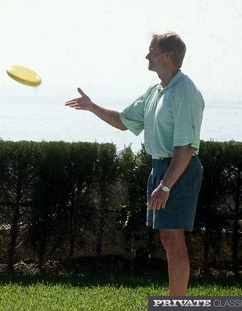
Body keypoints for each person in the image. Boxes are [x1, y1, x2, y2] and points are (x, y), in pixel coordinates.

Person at [65, 32, 204, 296]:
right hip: (161, 169)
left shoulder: (184, 92)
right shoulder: (156, 91)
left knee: (173, 239)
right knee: (167, 238)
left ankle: (177, 302)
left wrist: (165, 185)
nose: (146, 56)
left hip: (179, 170)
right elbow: (124, 121)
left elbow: (185, 147)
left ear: (167, 55)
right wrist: (93, 107)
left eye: (151, 51)